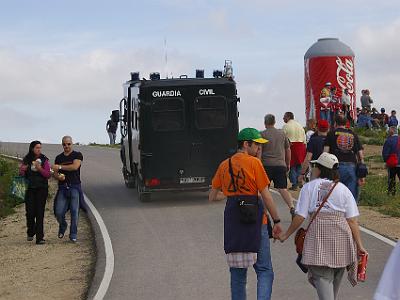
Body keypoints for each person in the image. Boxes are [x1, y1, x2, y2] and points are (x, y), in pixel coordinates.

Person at [279, 153, 367, 300]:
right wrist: (359, 246)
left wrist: (285, 235)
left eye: (314, 167)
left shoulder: (308, 187)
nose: (313, 169)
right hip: (341, 241)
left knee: (323, 283)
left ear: (319, 169)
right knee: (332, 289)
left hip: (319, 239)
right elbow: (352, 221)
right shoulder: (343, 190)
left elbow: (300, 216)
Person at [209, 127, 283, 300]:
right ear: (246, 144)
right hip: (257, 222)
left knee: (237, 274)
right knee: (264, 270)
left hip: (234, 224)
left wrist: (231, 194)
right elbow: (266, 195)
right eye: (256, 145)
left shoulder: (224, 165)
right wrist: (277, 220)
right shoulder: (254, 163)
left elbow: (212, 196)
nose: (259, 148)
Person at [260, 114, 295, 216]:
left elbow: (260, 151)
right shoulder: (282, 134)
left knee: (264, 190)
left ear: (265, 123)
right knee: (282, 188)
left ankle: (264, 213)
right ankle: (292, 207)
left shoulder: (262, 134)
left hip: (266, 165)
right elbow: (288, 150)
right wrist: (288, 163)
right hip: (280, 164)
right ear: (274, 122)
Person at [324, 115, 365, 200]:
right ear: (346, 123)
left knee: (335, 196)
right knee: (351, 198)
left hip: (335, 167)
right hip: (351, 167)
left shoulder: (331, 134)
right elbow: (360, 155)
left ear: (335, 123)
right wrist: (362, 174)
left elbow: (325, 153)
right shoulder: (353, 134)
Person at [52, 136, 83, 243]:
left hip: (74, 186)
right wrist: (58, 176)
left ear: (72, 144)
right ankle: (63, 224)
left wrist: (59, 167)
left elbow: (74, 167)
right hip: (62, 187)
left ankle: (73, 234)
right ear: (62, 145)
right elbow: (55, 173)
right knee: (58, 212)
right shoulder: (59, 157)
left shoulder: (77, 155)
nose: (67, 146)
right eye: (64, 144)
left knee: (75, 212)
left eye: (68, 144)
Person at [19, 141, 51, 245]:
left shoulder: (44, 159)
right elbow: (21, 174)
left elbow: (47, 175)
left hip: (42, 189)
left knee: (40, 213)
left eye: (40, 148)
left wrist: (39, 168)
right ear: (32, 148)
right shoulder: (27, 159)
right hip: (30, 189)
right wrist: (22, 170)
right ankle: (31, 231)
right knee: (30, 212)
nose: (39, 150)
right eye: (37, 148)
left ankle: (40, 238)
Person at [298, 119, 329, 185]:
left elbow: (308, 158)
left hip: (315, 169)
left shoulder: (314, 140)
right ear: (328, 128)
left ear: (317, 128)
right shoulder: (331, 139)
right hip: (329, 169)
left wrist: (302, 173)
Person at [283, 112, 307, 191]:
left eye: (284, 117)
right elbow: (304, 139)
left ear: (288, 117)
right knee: (299, 165)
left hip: (292, 147)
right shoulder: (300, 126)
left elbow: (283, 139)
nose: (283, 118)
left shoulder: (286, 126)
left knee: (292, 166)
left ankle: (294, 183)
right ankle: (299, 180)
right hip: (301, 146)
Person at [382, 126, 400, 196]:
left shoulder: (389, 140)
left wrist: (386, 161)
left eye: (389, 130)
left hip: (392, 163)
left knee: (391, 180)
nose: (388, 132)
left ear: (392, 131)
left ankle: (391, 194)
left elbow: (385, 153)